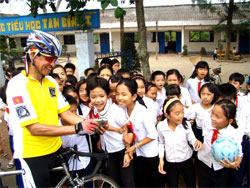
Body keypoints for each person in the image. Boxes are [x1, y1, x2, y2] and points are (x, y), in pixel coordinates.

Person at [6, 30, 101, 187]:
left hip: (55, 150)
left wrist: (89, 123)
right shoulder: (17, 85)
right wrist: (77, 128)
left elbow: (65, 113)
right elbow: (34, 128)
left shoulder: (50, 81)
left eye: (55, 59)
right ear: (32, 54)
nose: (53, 64)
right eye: (49, 58)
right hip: (32, 155)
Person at [86, 76, 135, 187]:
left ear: (108, 95)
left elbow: (127, 130)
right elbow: (100, 124)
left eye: (101, 96)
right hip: (109, 150)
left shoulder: (115, 110)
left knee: (127, 182)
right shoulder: (94, 109)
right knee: (113, 180)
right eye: (93, 96)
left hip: (122, 150)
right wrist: (100, 139)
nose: (98, 100)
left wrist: (127, 153)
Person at [116, 78, 160, 187]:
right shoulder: (122, 110)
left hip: (150, 152)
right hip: (137, 152)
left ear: (134, 96)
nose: (119, 98)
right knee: (141, 180)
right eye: (117, 94)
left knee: (153, 180)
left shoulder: (143, 112)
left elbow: (153, 135)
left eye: (124, 94)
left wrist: (135, 146)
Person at [157, 98, 203, 188]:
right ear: (167, 115)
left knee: (191, 183)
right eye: (177, 113)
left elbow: (192, 139)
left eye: (182, 112)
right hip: (170, 161)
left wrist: (197, 142)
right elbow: (161, 143)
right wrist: (161, 159)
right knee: (172, 184)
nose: (181, 116)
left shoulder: (186, 125)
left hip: (186, 160)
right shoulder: (161, 126)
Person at [198, 99, 243, 187]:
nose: (213, 118)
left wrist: (235, 164)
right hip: (205, 162)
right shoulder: (207, 122)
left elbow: (239, 154)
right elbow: (204, 138)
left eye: (218, 117)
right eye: (212, 113)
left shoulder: (234, 134)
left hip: (222, 168)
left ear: (230, 120)